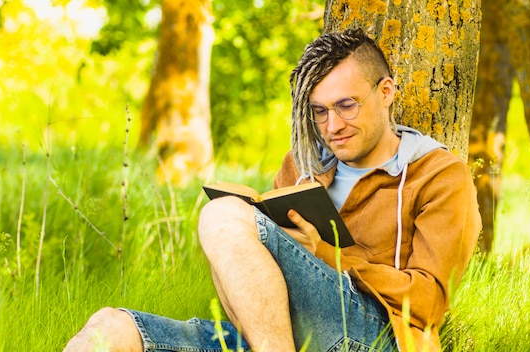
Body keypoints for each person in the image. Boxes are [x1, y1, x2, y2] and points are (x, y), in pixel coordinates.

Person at [63, 28, 481, 352]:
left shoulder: (438, 174)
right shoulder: (302, 164)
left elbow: (427, 302)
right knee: (107, 330)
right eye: (319, 111)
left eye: (346, 105)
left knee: (222, 214)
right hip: (280, 337)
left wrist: (323, 253)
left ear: (385, 91)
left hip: (376, 336)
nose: (332, 126)